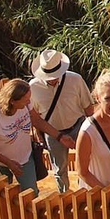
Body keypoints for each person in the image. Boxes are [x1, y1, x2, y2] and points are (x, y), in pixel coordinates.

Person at [0, 78, 75, 193]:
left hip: (24, 158)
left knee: (32, 192)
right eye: (25, 100)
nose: (29, 103)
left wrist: (60, 137)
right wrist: (8, 162)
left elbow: (37, 121)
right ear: (12, 101)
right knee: (4, 195)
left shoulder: (27, 104)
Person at [28, 48, 93, 193]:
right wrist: (40, 134)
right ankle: (65, 196)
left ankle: (86, 191)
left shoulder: (75, 80)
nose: (52, 79)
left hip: (78, 126)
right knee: (59, 168)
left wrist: (94, 130)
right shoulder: (33, 88)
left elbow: (88, 106)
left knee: (88, 161)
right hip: (52, 132)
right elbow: (35, 117)